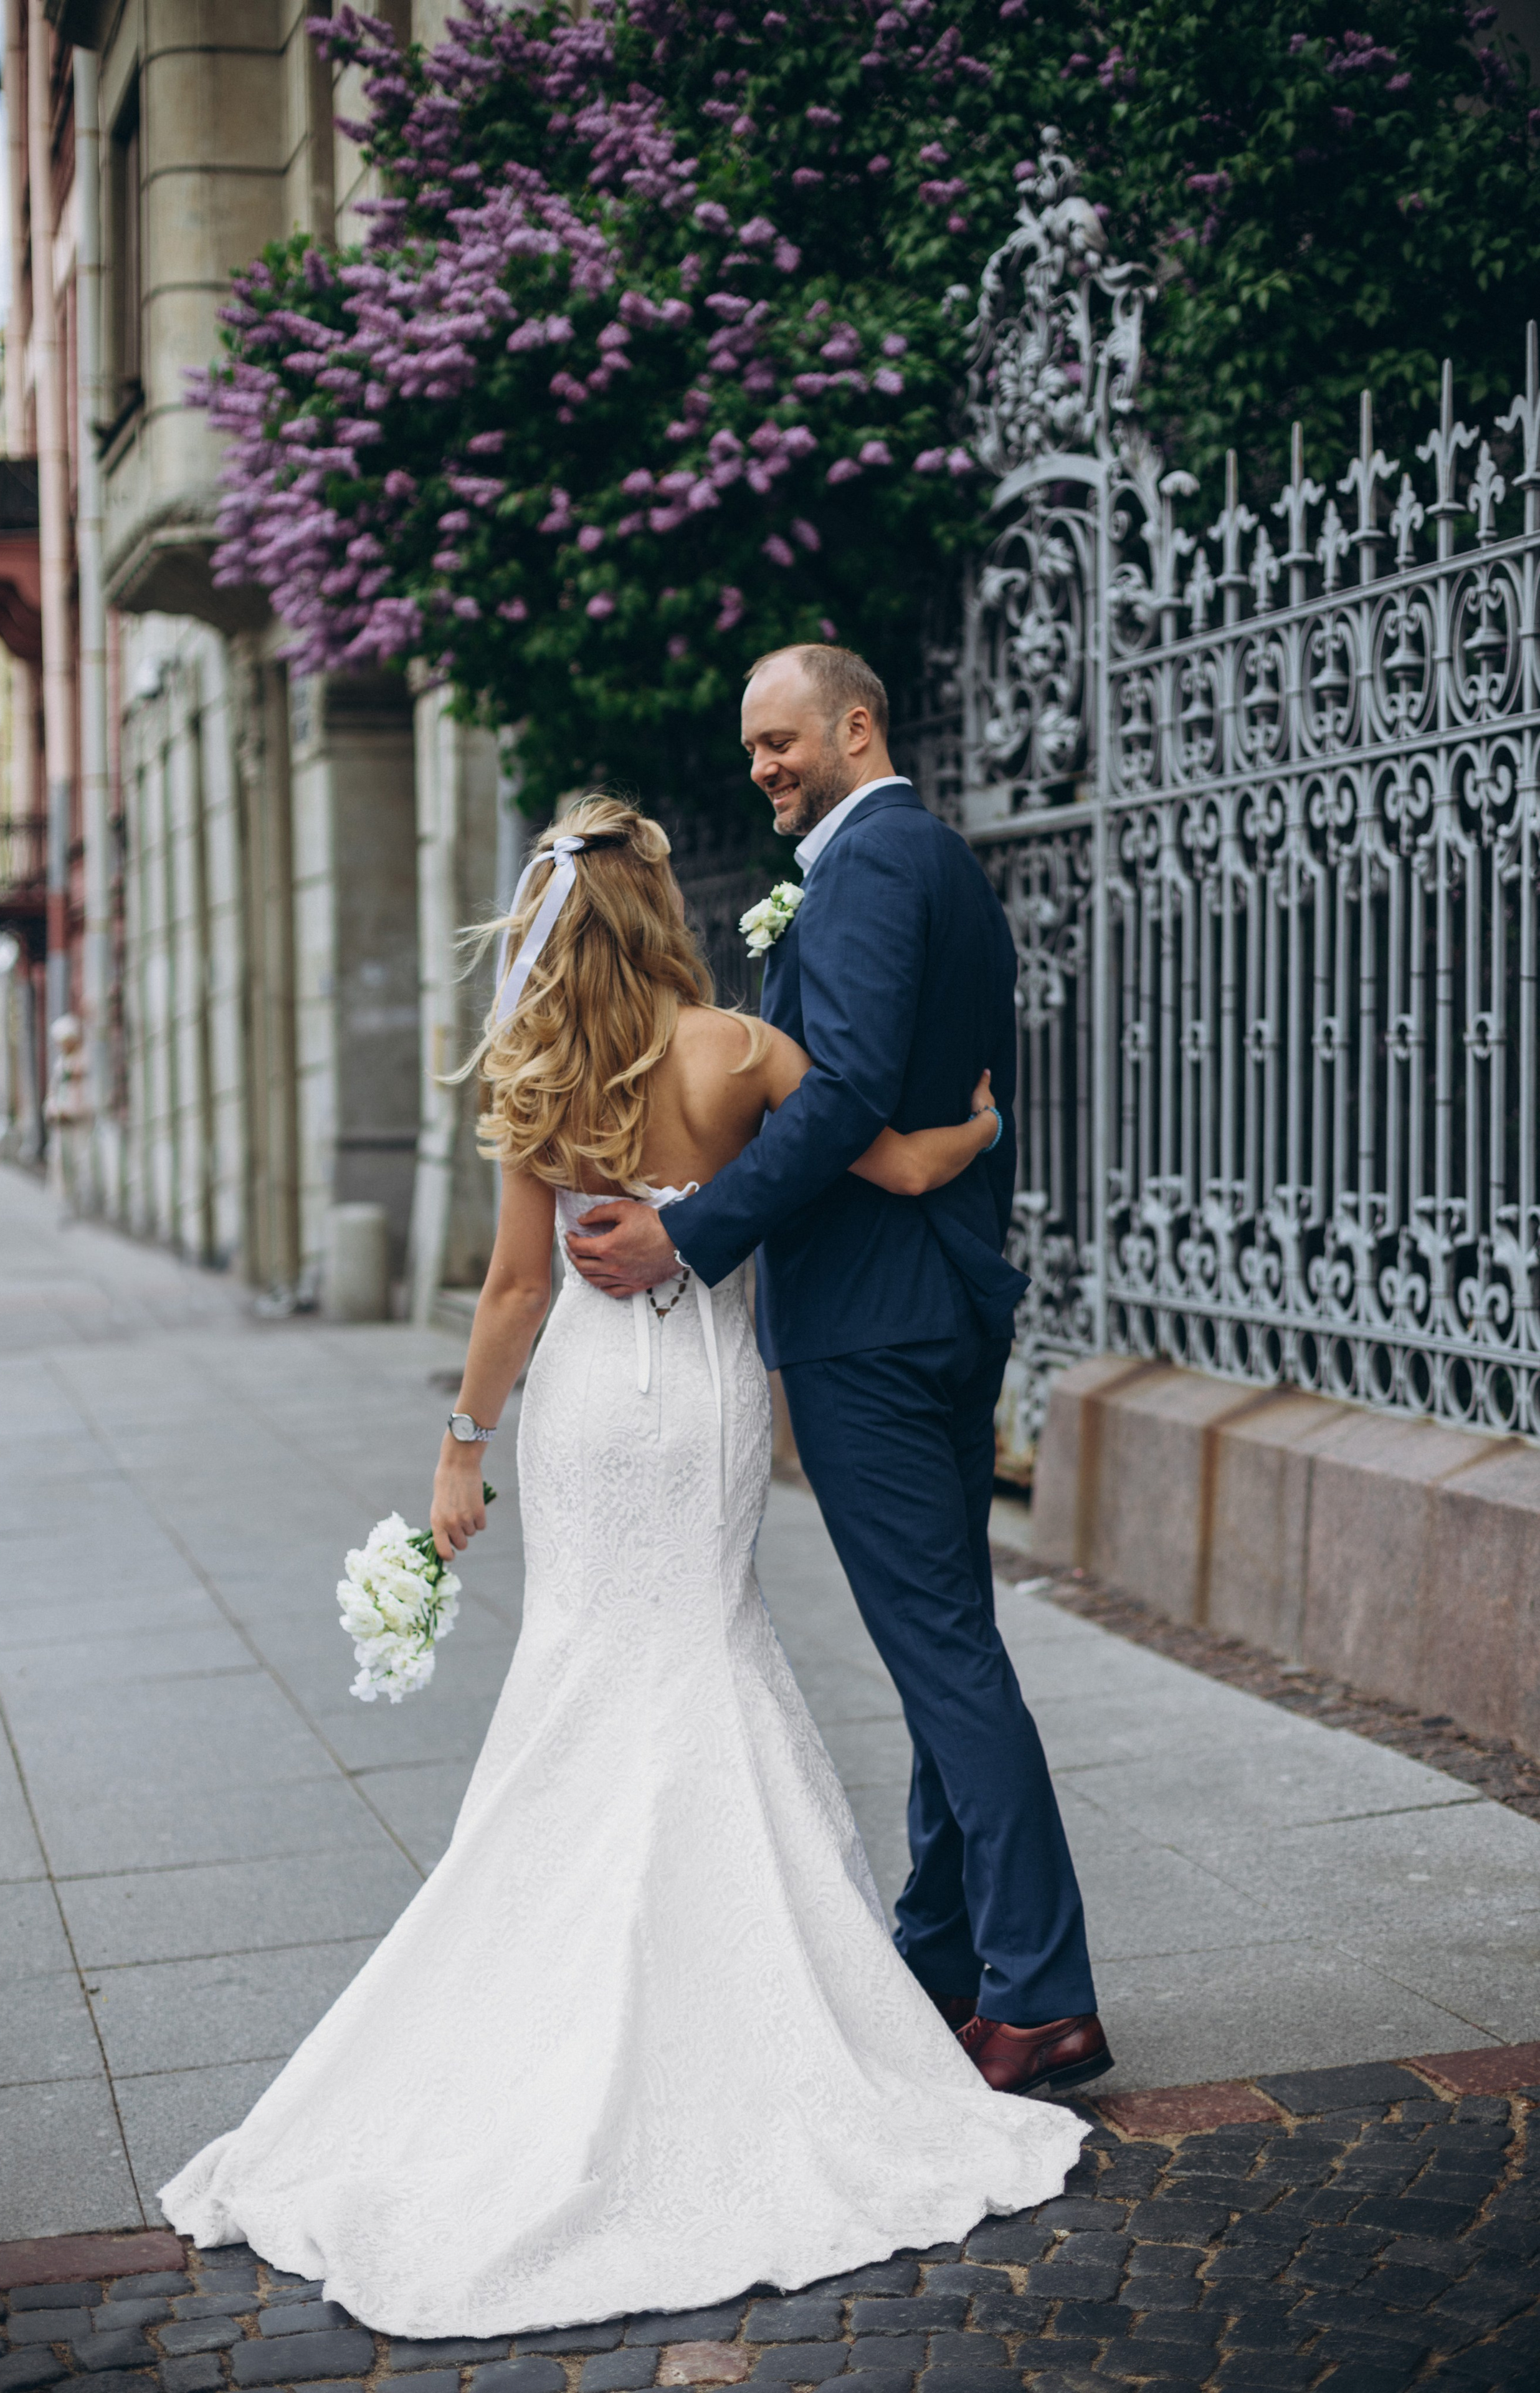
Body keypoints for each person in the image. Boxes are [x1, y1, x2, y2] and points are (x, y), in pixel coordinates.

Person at [158, 794, 1084, 2338]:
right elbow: (891, 1164)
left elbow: (519, 1288)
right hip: (708, 1400)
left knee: (583, 1668)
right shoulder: (732, 1050)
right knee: (704, 1649)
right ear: (659, 913)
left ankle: (541, 2004)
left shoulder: (536, 1069)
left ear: (544, 929)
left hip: (587, 1409)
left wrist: (460, 1444)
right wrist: (980, 1129)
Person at [568, 645, 1108, 2100]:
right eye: (750, 747)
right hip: (933, 1300)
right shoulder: (933, 865)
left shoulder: (871, 866)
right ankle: (938, 1957)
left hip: (873, 1322)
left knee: (940, 1648)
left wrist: (690, 1236)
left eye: (781, 737)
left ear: (855, 723)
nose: (763, 765)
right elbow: (902, 1095)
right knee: (947, 1638)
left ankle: (1041, 1994)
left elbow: (848, 1090)